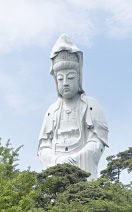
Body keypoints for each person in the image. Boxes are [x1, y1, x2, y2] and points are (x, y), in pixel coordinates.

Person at [38, 34, 108, 177]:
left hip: (82, 165)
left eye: (70, 78)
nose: (65, 83)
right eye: (60, 79)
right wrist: (56, 160)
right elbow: (43, 147)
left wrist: (75, 159)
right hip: (55, 166)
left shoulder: (91, 105)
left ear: (78, 78)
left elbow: (97, 142)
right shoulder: (52, 110)